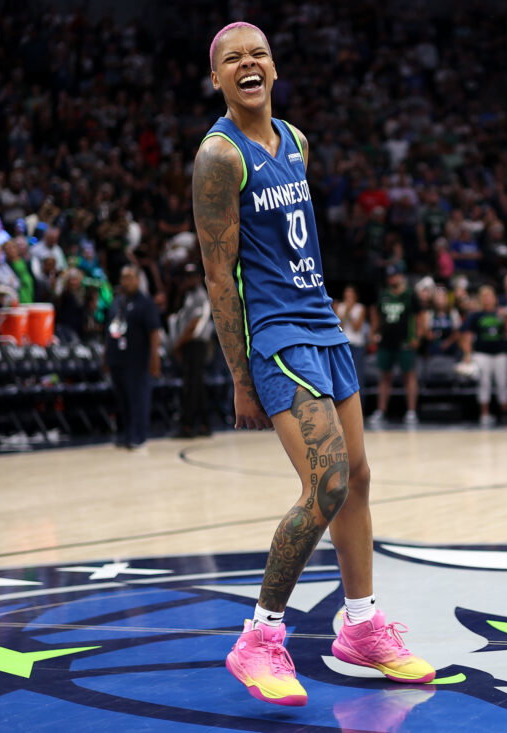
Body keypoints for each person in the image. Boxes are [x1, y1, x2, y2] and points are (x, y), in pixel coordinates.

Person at [193, 21, 433, 707]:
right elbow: (219, 275)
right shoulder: (218, 157)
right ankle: (260, 636)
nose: (248, 64)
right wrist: (240, 374)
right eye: (232, 59)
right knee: (324, 483)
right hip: (275, 336)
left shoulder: (296, 140)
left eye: (258, 54)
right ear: (218, 80)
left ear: (274, 68)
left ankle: (360, 626)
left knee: (357, 477)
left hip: (322, 324)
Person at [105, 265, 161, 449]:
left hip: (138, 360)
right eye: (123, 277)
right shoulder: (117, 302)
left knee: (138, 398)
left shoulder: (146, 303)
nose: (126, 281)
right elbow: (110, 331)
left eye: (130, 277)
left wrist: (155, 359)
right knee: (122, 399)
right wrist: (106, 356)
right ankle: (126, 433)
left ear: (138, 279)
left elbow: (154, 333)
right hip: (117, 359)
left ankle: (139, 435)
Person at [367, 264, 420, 426]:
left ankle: (411, 412)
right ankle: (381, 411)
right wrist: (373, 332)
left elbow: (420, 317)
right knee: (384, 377)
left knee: (408, 376)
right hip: (386, 341)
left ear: (401, 276)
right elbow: (376, 314)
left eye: (395, 276)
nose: (392, 279)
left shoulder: (410, 295)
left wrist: (417, 336)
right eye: (390, 276)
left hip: (405, 342)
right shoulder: (383, 295)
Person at [170, 262, 214, 438]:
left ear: (198, 277)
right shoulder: (186, 296)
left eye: (192, 276)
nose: (189, 279)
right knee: (197, 385)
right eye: (187, 277)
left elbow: (195, 325)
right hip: (188, 345)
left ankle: (187, 425)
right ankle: (204, 424)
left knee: (191, 385)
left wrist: (178, 344)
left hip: (196, 344)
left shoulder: (201, 296)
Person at [461, 284, 507, 426]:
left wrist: (506, 319)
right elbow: (468, 336)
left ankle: (505, 414)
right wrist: (467, 354)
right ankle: (484, 414)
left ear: (495, 298)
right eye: (485, 297)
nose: (488, 299)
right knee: (484, 384)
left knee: (502, 383)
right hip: (482, 353)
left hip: (500, 353)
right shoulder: (475, 315)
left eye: (490, 296)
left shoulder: (501, 313)